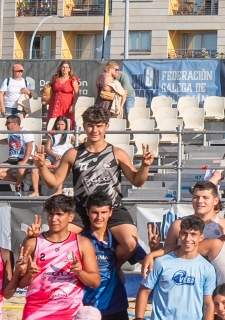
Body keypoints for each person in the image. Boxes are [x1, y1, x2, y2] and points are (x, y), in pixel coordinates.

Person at [32, 105, 153, 260]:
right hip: (82, 208)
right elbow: (54, 183)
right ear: (84, 126)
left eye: (99, 126)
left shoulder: (117, 153)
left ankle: (113, 268)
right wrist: (42, 167)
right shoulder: (73, 154)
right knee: (58, 238)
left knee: (130, 243)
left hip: (112, 208)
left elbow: (137, 181)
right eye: (90, 125)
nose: (95, 130)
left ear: (106, 127)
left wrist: (145, 166)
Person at [15, 196, 102, 320]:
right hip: (35, 315)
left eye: (59, 214)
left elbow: (95, 281)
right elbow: (19, 283)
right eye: (50, 214)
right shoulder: (33, 243)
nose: (54, 219)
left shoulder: (82, 243)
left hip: (68, 316)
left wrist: (79, 272)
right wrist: (30, 275)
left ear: (70, 217)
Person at [43, 60, 80, 124]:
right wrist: (44, 92)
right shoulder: (55, 78)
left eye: (66, 67)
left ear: (69, 69)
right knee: (53, 121)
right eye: (63, 67)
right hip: (54, 103)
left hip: (66, 104)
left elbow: (76, 93)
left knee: (65, 122)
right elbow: (48, 87)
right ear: (60, 68)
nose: (65, 69)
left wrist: (73, 105)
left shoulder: (72, 80)